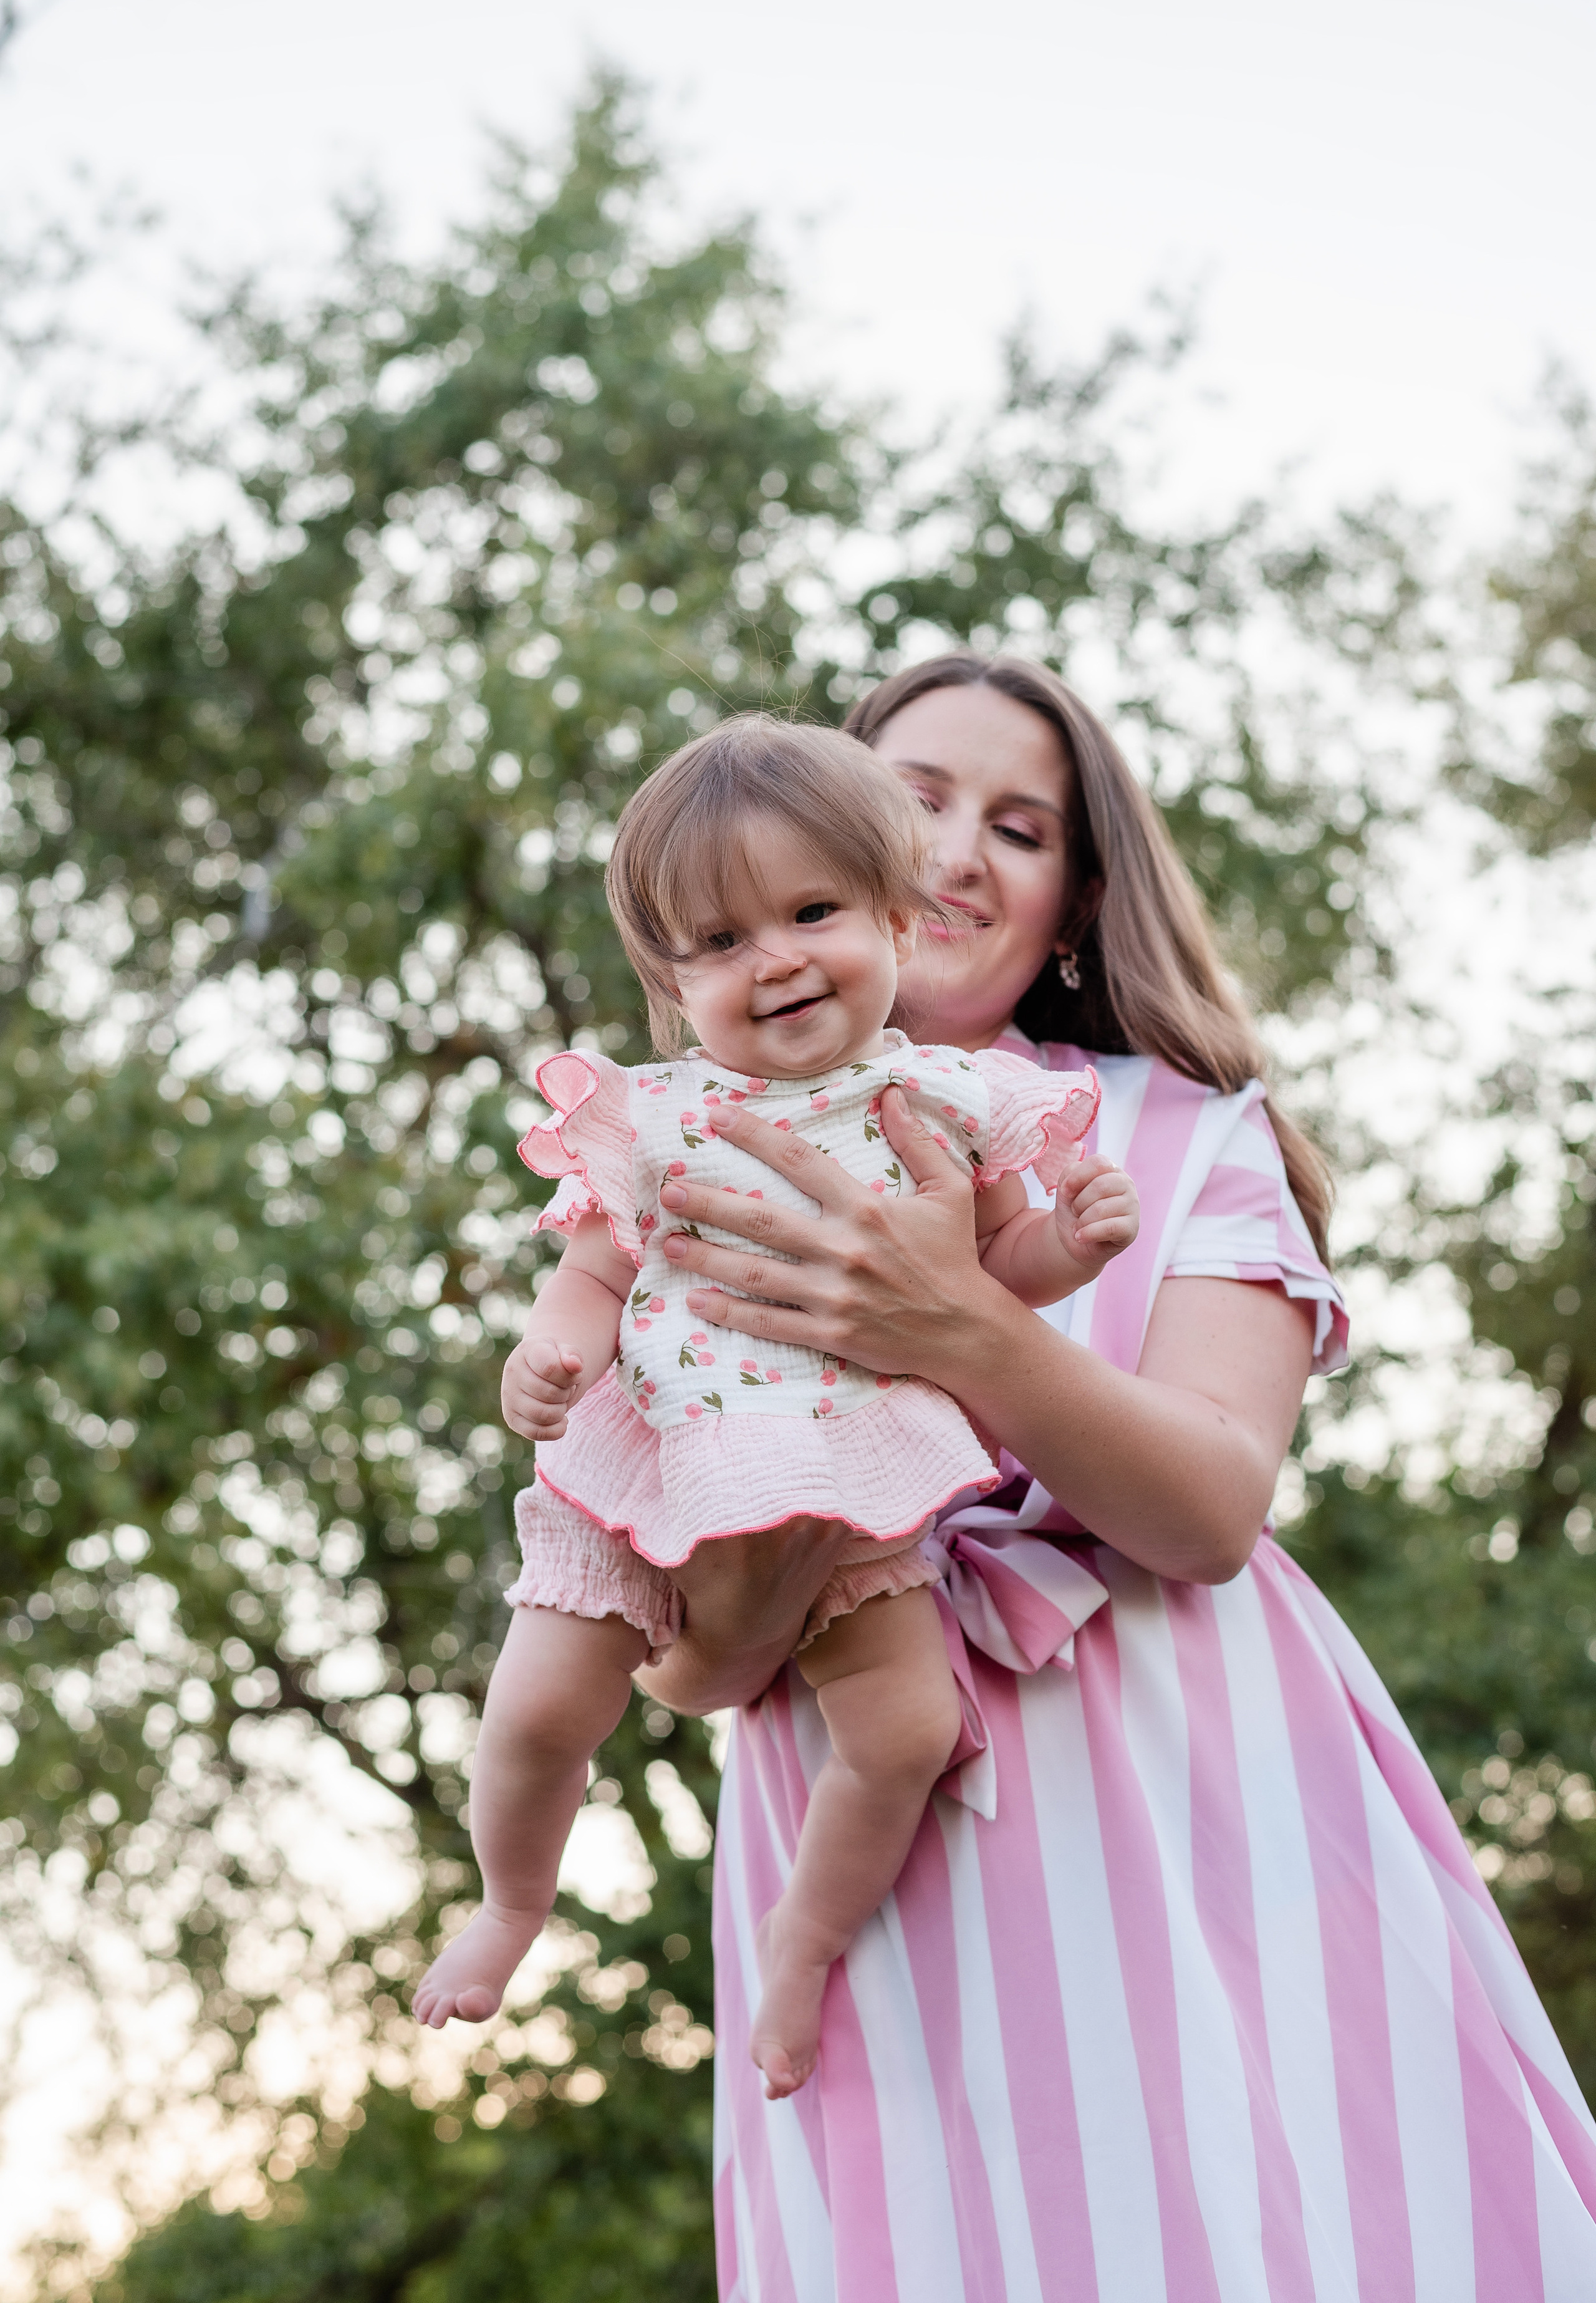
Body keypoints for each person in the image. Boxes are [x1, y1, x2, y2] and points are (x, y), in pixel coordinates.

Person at [635, 657, 1596, 2300]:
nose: (956, 853)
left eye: (1020, 829)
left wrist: (952, 1326)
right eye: (916, 802)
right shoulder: (695, 1156)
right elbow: (687, 1655)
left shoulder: (1186, 1135)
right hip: (858, 1821)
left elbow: (1208, 1511)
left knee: (1252, 2222)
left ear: (1076, 907)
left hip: (1182, 1781)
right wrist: (781, 1566)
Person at [413, 717, 1138, 2102]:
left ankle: (802, 1940)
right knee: (540, 1705)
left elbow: (995, 1271)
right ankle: (510, 1900)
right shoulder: (658, 1116)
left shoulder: (943, 1098)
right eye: (721, 941)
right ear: (673, 982)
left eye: (812, 913)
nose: (776, 960)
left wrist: (1071, 1241)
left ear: (896, 919)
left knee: (906, 1733)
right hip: (657, 1457)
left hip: (856, 1477)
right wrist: (548, 1355)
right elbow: (592, 1270)